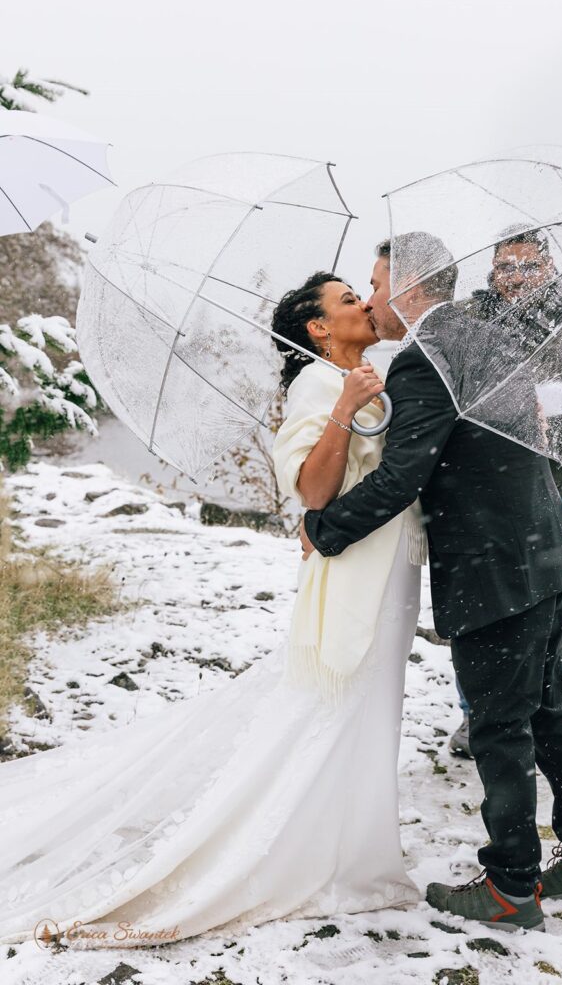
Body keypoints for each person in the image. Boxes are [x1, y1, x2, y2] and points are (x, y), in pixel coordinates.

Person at [0, 272, 426, 948]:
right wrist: (345, 408)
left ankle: (349, 838)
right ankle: (310, 851)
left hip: (393, 561)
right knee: (341, 698)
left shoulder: (371, 372)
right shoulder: (316, 386)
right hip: (354, 568)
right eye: (349, 300)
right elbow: (313, 492)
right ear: (316, 328)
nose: (367, 305)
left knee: (372, 702)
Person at [302, 236, 562, 932]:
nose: (367, 298)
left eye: (375, 282)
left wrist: (323, 527)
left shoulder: (428, 363)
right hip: (544, 551)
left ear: (412, 288)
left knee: (499, 726)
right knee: (548, 708)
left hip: (493, 567)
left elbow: (401, 478)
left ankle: (511, 886)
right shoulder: (487, 336)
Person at [449, 228, 562, 759]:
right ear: (492, 271)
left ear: (548, 269)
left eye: (528, 267)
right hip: (478, 484)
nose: (516, 278)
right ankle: (474, 713)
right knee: (480, 606)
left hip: (549, 482)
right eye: (506, 268)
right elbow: (451, 386)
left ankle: (544, 708)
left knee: (544, 606)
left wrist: (542, 402)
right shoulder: (471, 319)